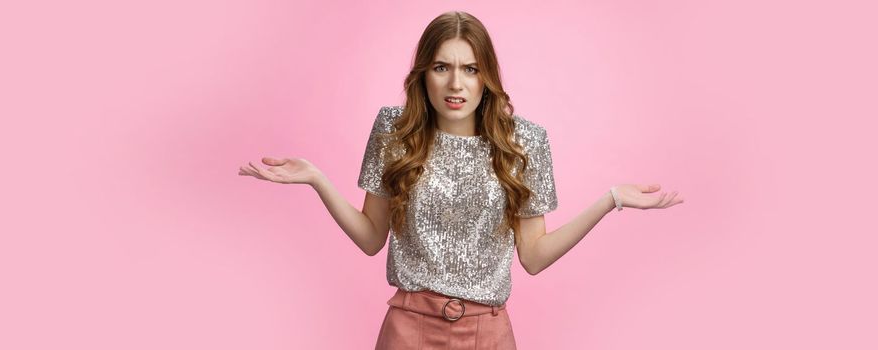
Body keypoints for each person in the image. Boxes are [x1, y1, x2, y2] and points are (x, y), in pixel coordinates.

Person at [238, 10, 684, 349]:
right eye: (441, 67)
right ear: (423, 75)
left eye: (470, 69)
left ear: (486, 76)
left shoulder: (524, 142)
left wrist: (610, 200)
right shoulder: (394, 132)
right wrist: (317, 179)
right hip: (407, 327)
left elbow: (533, 255)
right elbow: (373, 237)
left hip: (486, 332)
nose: (456, 83)